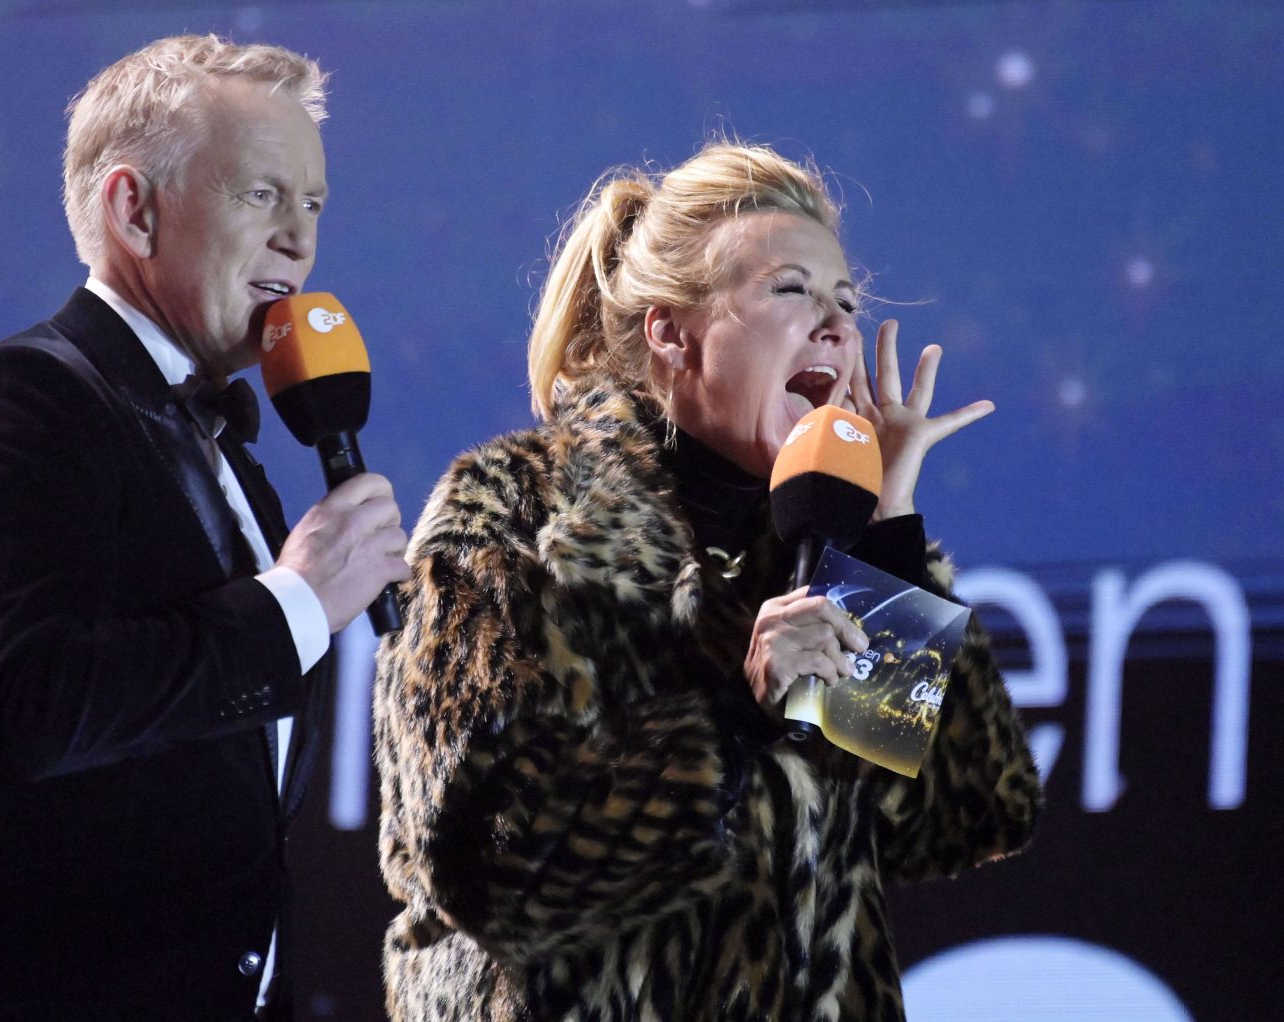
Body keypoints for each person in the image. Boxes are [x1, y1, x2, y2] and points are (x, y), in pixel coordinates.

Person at [372, 141, 1042, 1021]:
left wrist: (890, 545)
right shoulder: (512, 514)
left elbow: (968, 816)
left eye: (846, 300)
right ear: (670, 331)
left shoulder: (827, 543)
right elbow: (492, 874)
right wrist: (733, 713)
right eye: (790, 289)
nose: (837, 325)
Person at [0, 34, 409, 1021]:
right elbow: (33, 704)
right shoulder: (16, 401)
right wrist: (295, 602)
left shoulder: (229, 453)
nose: (299, 242)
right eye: (261, 195)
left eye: (311, 205)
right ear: (134, 209)